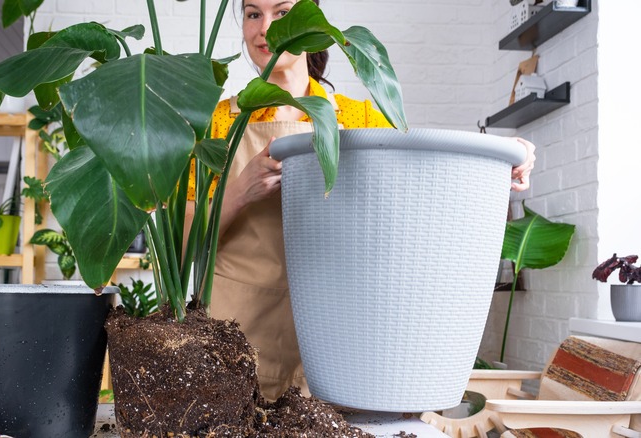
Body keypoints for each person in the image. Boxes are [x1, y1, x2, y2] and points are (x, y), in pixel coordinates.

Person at [187, 0, 536, 402]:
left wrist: (509, 156)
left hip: (339, 334)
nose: (266, 28)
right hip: (237, 330)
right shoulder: (214, 126)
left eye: (283, 13)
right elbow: (182, 244)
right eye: (253, 14)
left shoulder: (358, 121)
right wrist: (239, 190)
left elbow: (422, 180)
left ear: (314, 24)